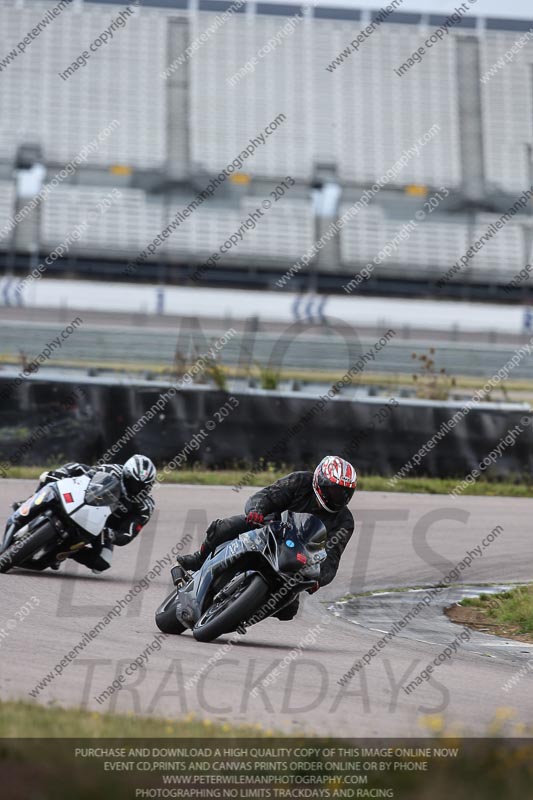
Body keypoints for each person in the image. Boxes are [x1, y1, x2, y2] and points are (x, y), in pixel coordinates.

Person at [177, 455, 357, 620]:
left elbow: (332, 557)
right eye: (334, 491)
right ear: (320, 482)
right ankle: (199, 560)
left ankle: (243, 611)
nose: (338, 497)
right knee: (225, 527)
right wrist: (257, 510)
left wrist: (319, 578)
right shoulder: (300, 481)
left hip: (297, 559)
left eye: (344, 493)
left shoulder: (345, 522)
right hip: (268, 529)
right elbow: (268, 495)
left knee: (289, 611)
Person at [15, 455, 156, 573]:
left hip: (101, 528)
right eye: (133, 483)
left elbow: (128, 534)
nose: (137, 489)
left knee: (102, 563)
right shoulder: (111, 470)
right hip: (81, 503)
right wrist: (62, 473)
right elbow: (80, 469)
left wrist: (111, 534)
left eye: (143, 486)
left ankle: (63, 553)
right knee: (47, 477)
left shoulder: (145, 507)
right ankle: (28, 502)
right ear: (125, 475)